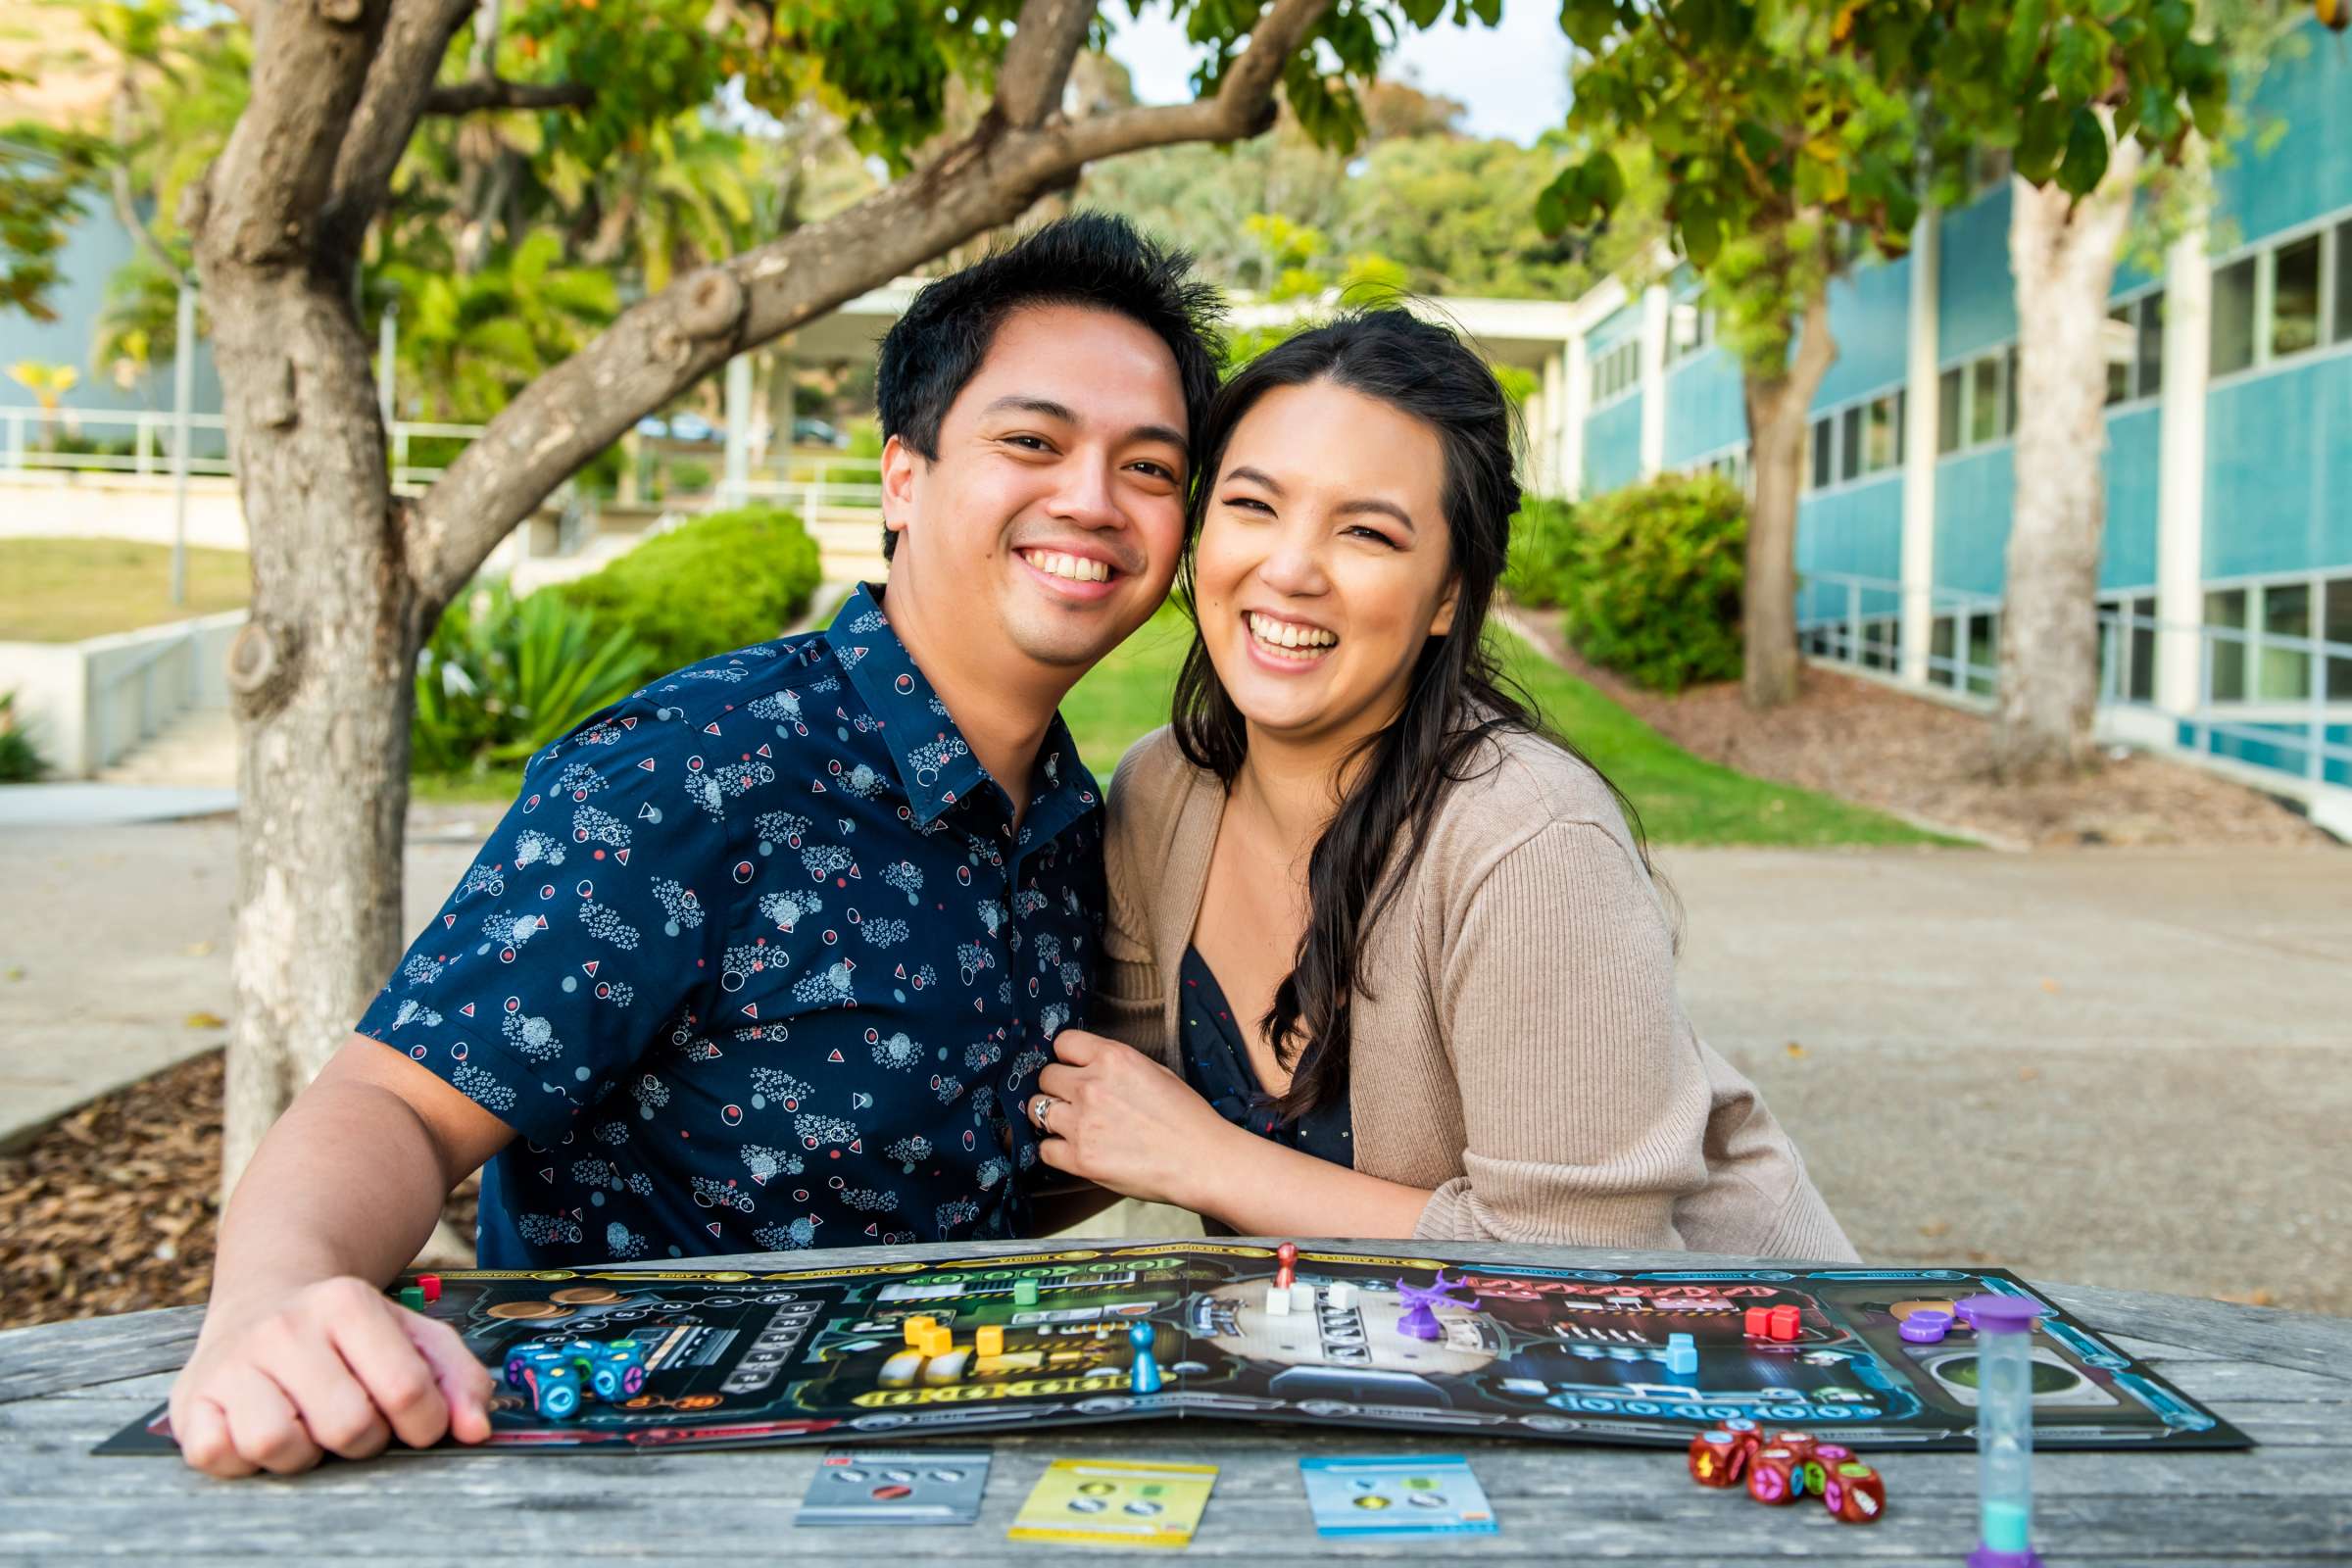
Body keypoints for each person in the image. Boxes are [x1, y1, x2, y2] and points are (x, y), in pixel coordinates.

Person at [166, 214, 1225, 1477]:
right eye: (1032, 442)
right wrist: (272, 1294)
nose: (1093, 500)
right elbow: (398, 1095)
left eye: (1151, 468)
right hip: (630, 1482)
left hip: (927, 1469)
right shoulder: (699, 769)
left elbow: (970, 1162)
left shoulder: (1068, 823)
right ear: (903, 477)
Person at [1024, 309, 1856, 1259]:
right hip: (1378, 1374)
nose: (1289, 568)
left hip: (1716, 1380)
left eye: (1368, 532)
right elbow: (1110, 1110)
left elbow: (1585, 1264)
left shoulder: (1527, 839)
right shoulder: (1161, 792)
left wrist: (1213, 1162)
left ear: (1450, 594)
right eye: (1253, 505)